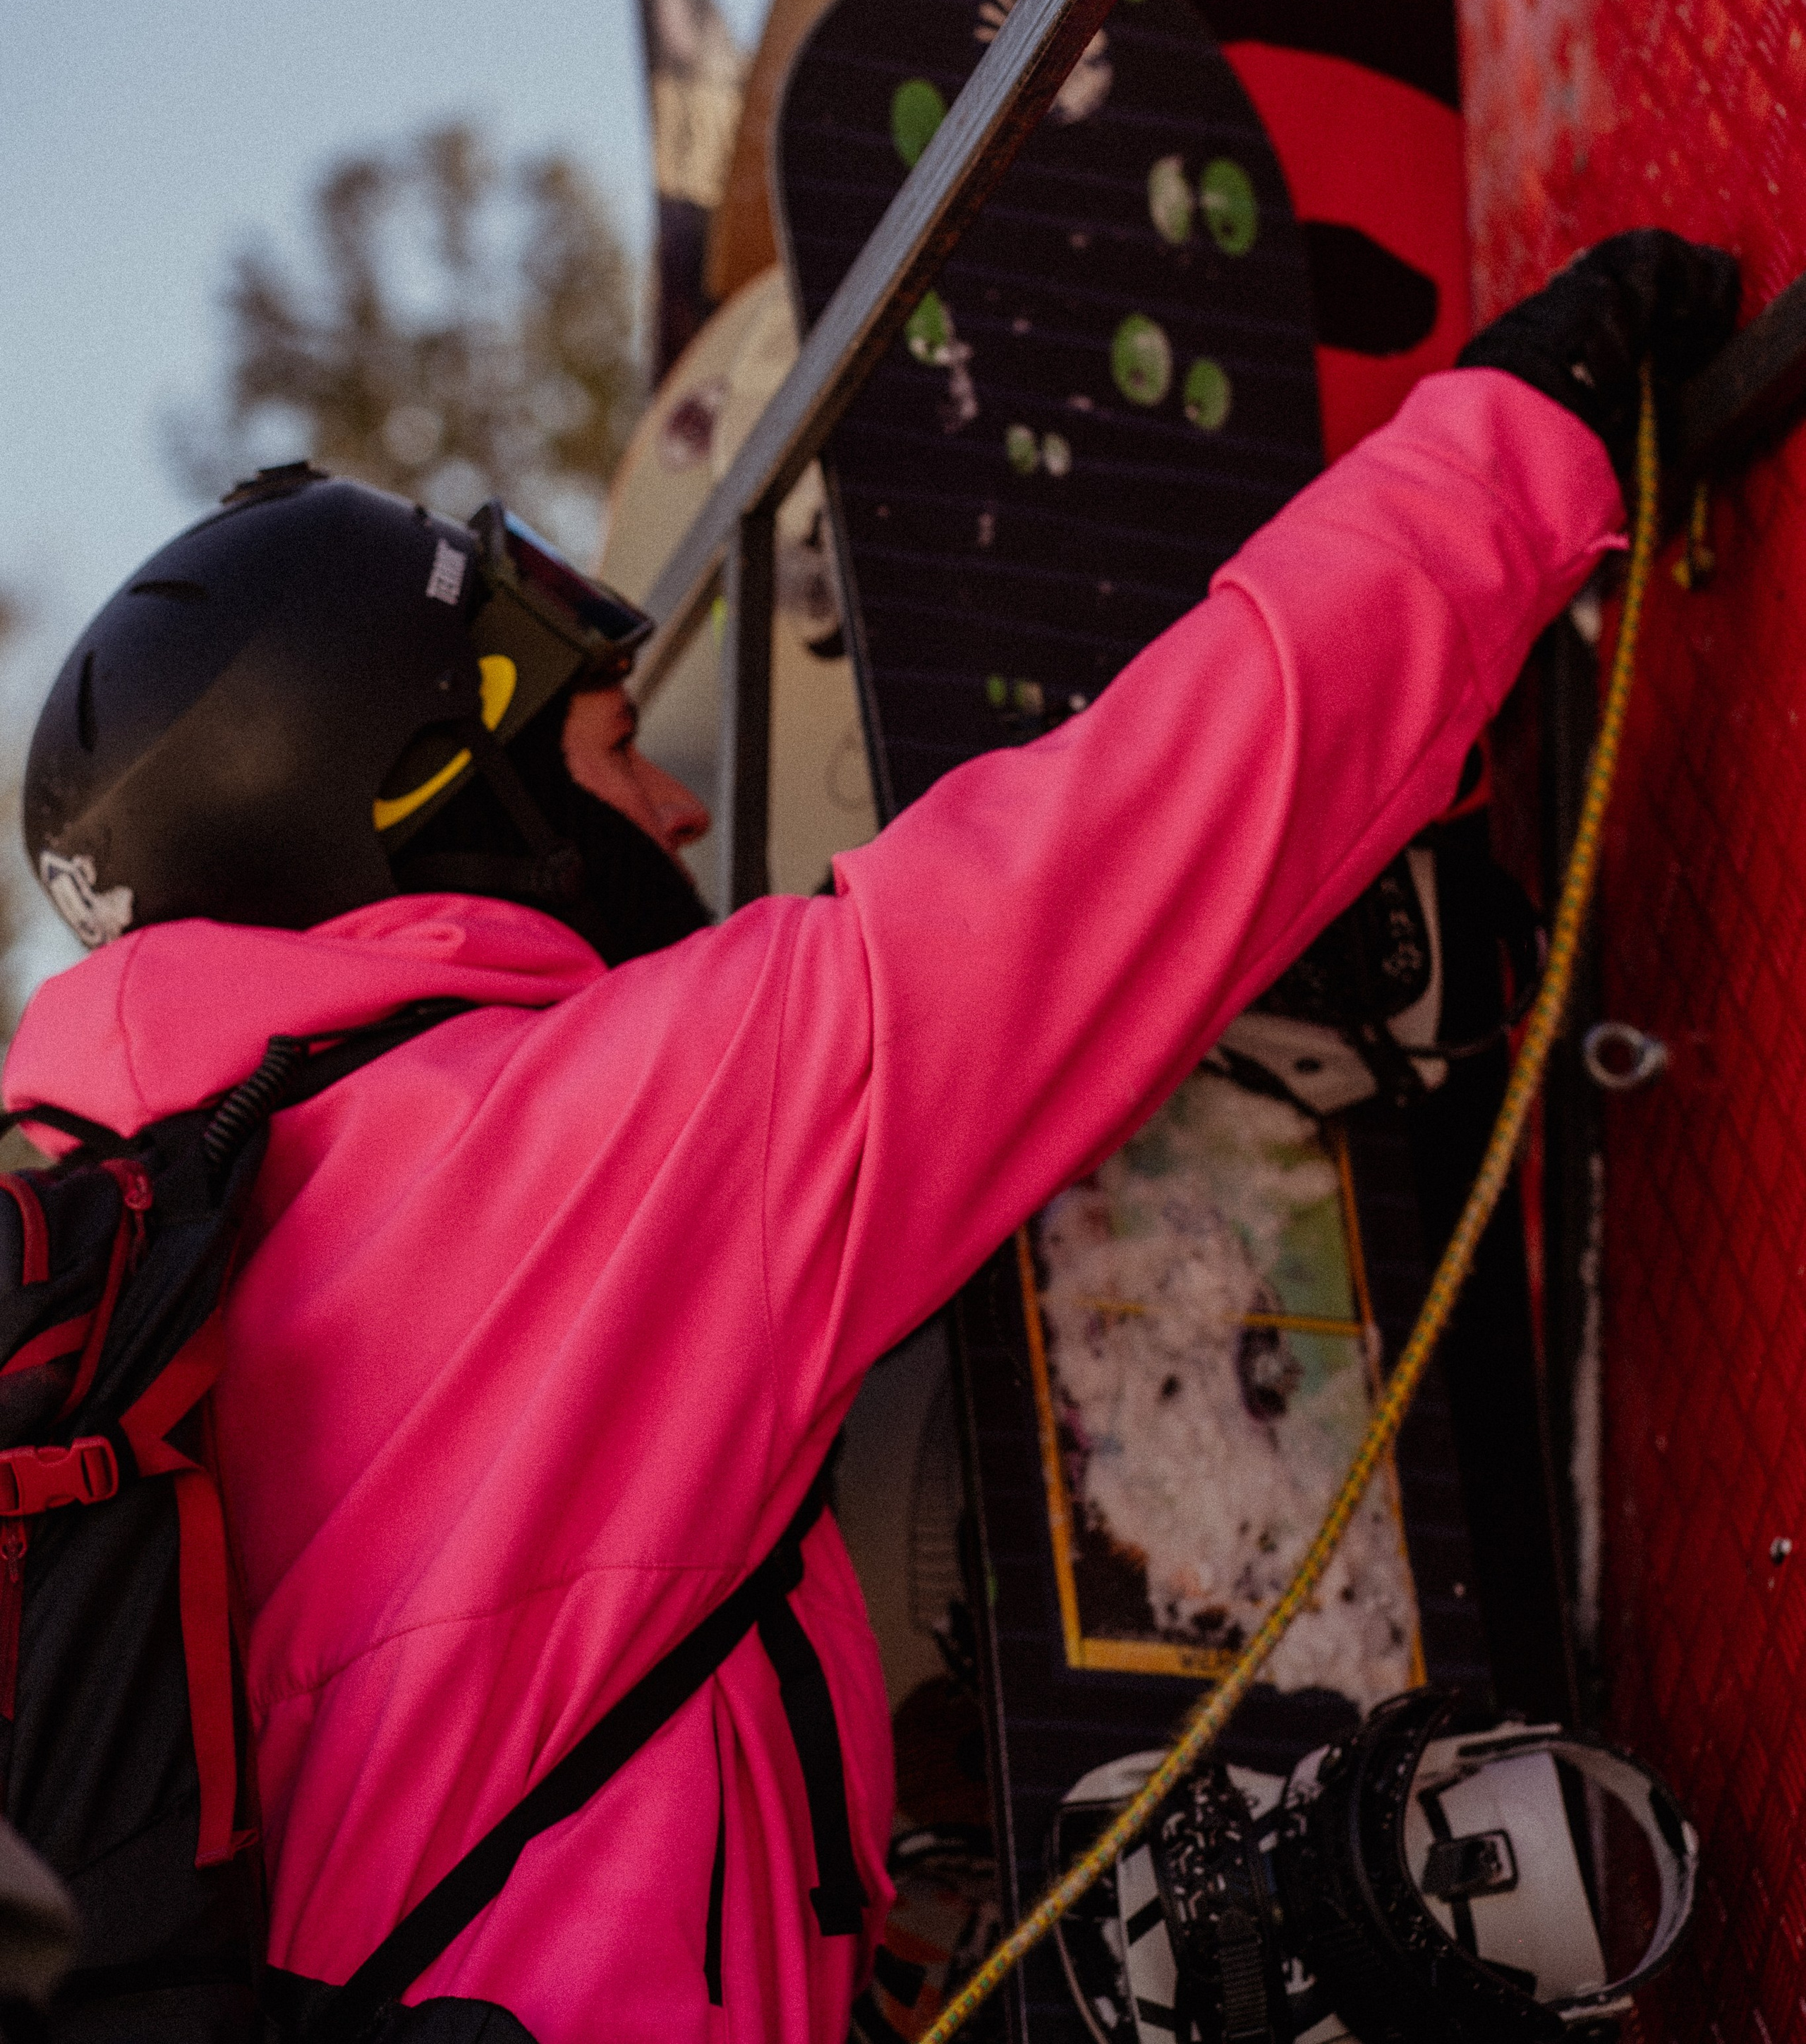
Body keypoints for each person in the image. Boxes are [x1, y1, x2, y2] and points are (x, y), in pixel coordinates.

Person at [6, 233, 1736, 2042]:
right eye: (607, 755)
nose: (671, 803)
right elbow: (1135, 838)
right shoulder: (595, 1149)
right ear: (438, 802)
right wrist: (1524, 434)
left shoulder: (145, 1282)